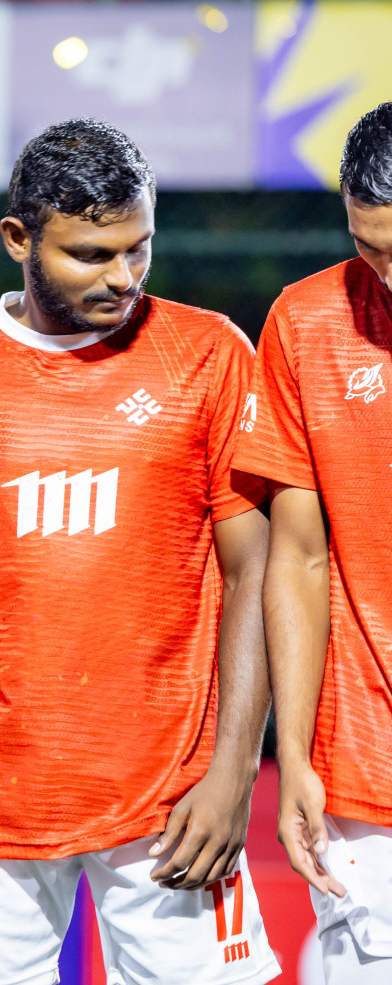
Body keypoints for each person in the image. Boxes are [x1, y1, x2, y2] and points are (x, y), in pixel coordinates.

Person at [0, 119, 281, 985]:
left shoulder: (209, 355)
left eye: (139, 247)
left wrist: (235, 770)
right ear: (18, 240)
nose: (122, 276)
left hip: (173, 799)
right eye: (91, 254)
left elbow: (256, 571)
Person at [234, 102, 392, 984]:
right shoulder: (306, 323)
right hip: (366, 767)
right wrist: (292, 754)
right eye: (372, 248)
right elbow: (296, 554)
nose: (391, 276)